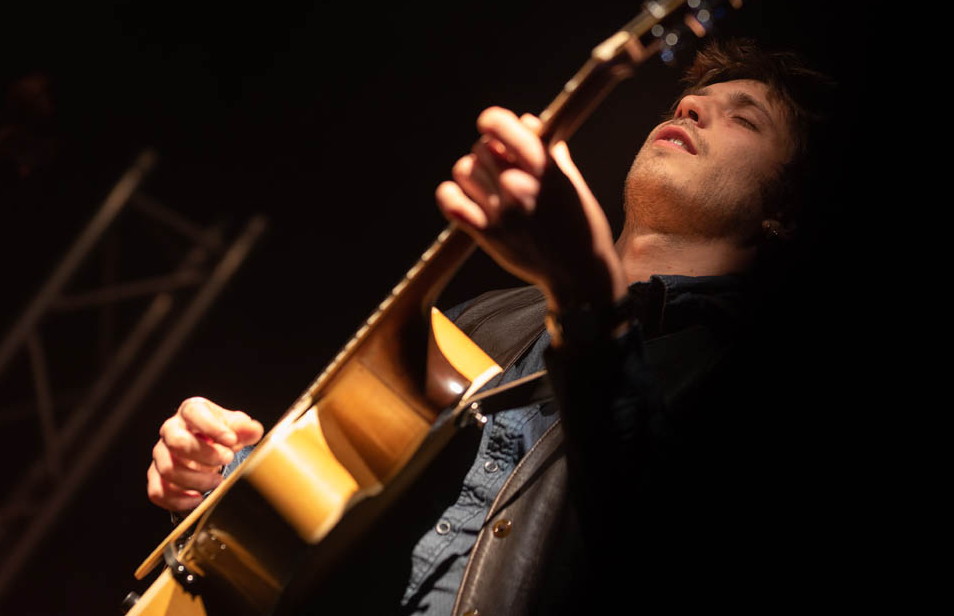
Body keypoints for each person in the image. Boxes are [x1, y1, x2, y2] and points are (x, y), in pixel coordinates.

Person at [146, 38, 832, 613]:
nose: (691, 107)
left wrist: (588, 297)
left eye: (744, 120)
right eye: (693, 100)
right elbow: (340, 491)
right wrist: (224, 477)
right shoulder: (486, 317)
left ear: (785, 211)